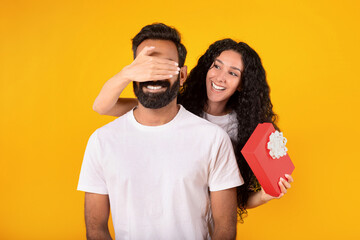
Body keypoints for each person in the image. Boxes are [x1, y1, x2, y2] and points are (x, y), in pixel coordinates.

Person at [93, 36, 294, 221]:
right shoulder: (172, 107)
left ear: (242, 84)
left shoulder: (246, 130)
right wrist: (127, 73)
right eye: (217, 66)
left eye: (233, 73)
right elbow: (103, 106)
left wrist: (264, 196)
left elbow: (235, 199)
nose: (220, 77)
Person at [78, 23, 244, 240]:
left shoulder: (213, 139)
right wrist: (126, 73)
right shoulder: (102, 141)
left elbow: (225, 228)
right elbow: (96, 227)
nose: (153, 75)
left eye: (165, 66)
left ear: (182, 75)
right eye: (145, 66)